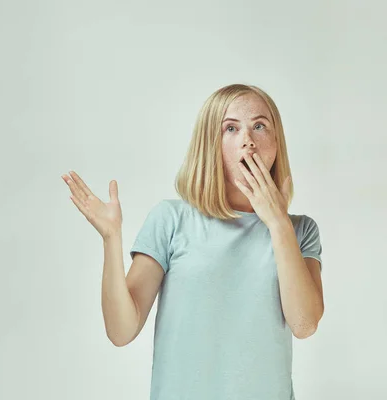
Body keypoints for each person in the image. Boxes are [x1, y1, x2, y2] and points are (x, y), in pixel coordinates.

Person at [61, 83, 324, 400]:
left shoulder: (300, 231)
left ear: (276, 142)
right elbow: (121, 330)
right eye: (230, 128)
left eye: (259, 125)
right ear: (210, 143)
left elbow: (305, 324)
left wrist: (278, 222)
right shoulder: (171, 220)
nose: (248, 140)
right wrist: (110, 238)